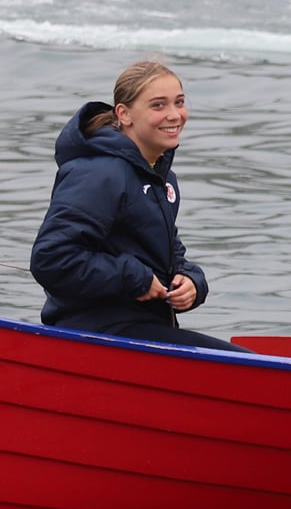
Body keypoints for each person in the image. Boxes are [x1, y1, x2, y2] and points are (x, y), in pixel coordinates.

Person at [31, 60, 240, 352]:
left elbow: (167, 254)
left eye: (179, 102)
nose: (174, 115)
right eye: (158, 105)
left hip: (144, 329)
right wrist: (133, 277)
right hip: (96, 333)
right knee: (255, 370)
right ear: (124, 114)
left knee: (255, 364)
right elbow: (51, 259)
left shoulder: (160, 177)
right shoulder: (99, 173)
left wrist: (193, 282)